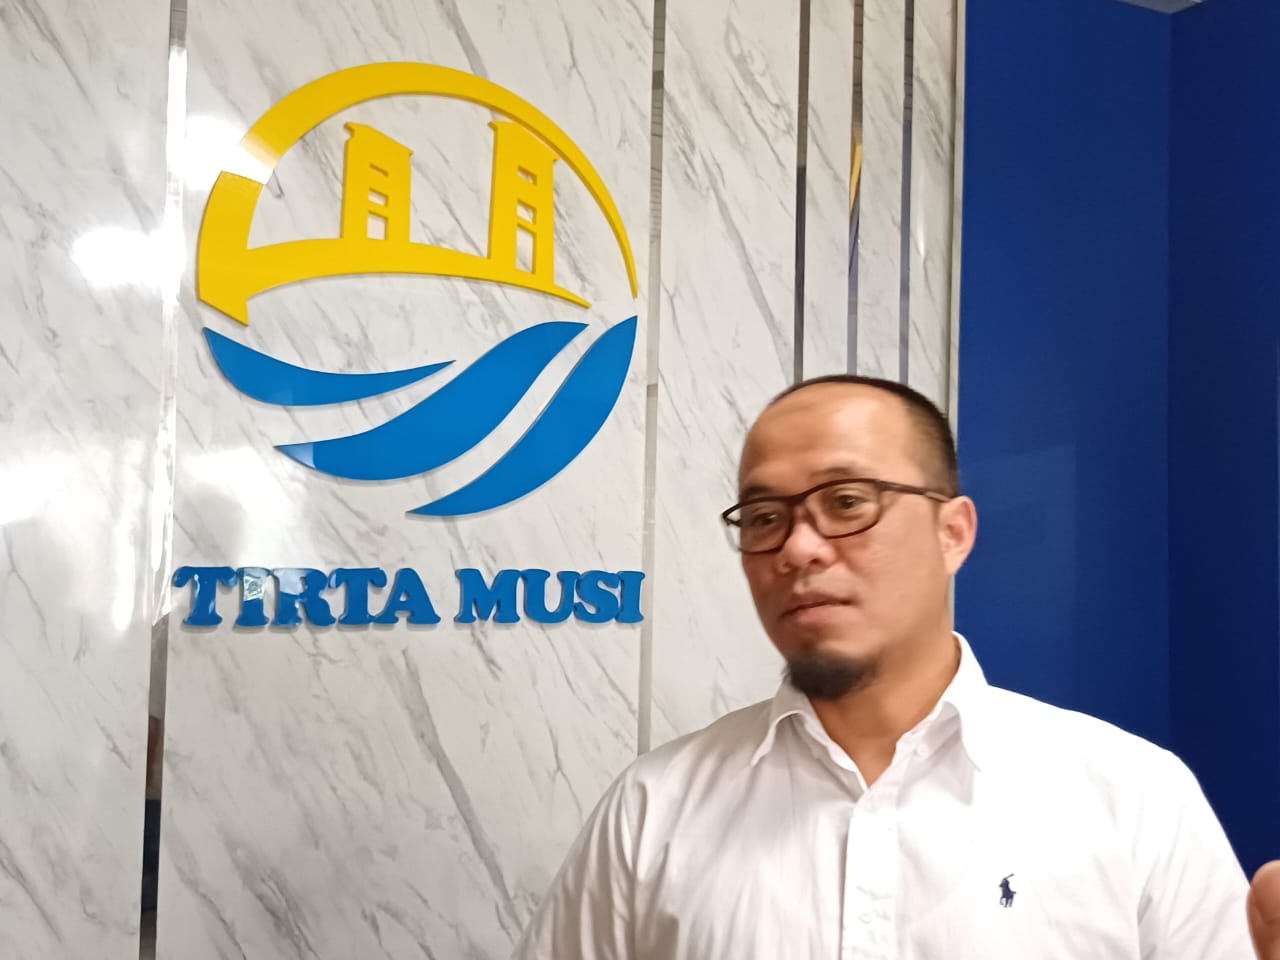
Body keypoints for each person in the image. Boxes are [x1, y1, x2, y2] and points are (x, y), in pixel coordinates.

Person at [512, 375, 1264, 959]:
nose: (798, 548)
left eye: (847, 502)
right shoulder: (654, 810)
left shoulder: (1132, 800)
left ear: (953, 532)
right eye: (765, 517)